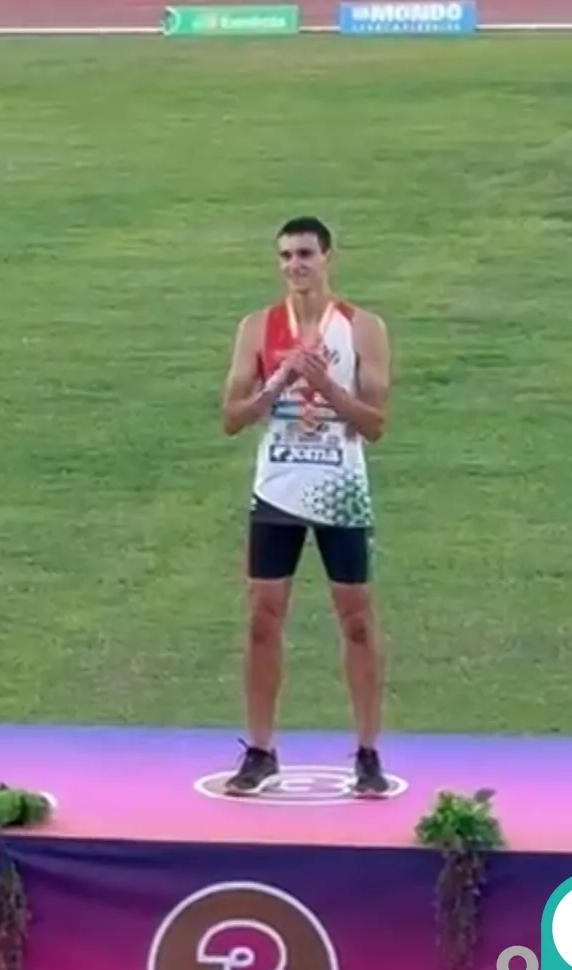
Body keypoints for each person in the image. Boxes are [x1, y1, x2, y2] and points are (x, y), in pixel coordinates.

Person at [218, 217, 392, 797]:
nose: (295, 265)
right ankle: (261, 749)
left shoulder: (362, 328)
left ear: (328, 258)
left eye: (305, 254)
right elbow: (232, 418)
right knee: (262, 618)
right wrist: (279, 383)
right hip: (277, 490)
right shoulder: (258, 328)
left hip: (341, 490)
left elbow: (374, 425)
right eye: (286, 256)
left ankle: (368, 752)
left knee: (358, 622)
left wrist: (326, 389)